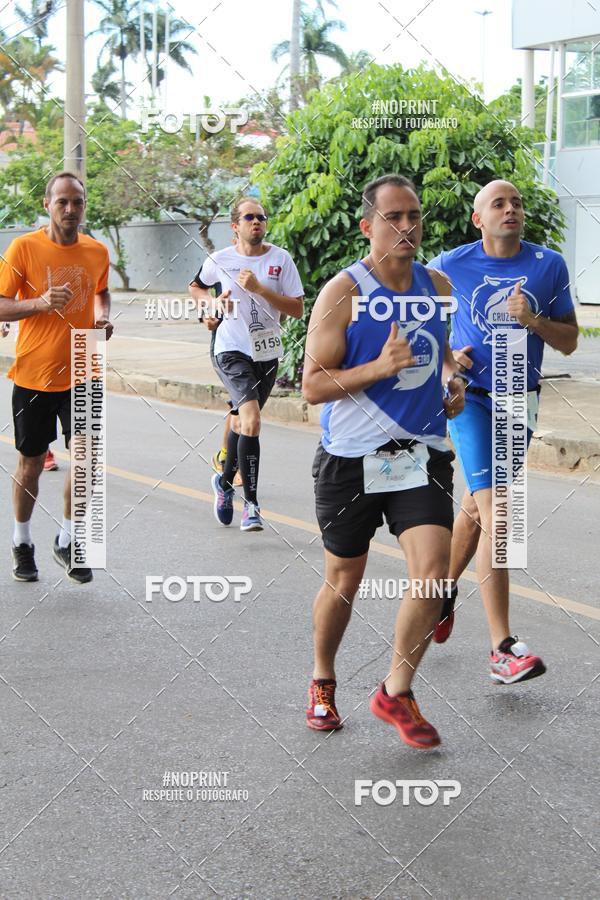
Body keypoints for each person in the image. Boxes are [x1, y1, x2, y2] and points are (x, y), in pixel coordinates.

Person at [302, 174, 466, 748]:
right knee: (344, 579)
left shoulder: (437, 285)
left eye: (414, 215)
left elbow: (441, 353)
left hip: (420, 453)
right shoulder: (343, 292)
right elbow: (312, 386)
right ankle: (323, 678)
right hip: (351, 458)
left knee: (433, 574)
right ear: (367, 226)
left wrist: (451, 383)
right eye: (393, 217)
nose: (406, 226)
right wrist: (379, 367)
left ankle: (396, 691)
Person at [428, 179, 578, 683]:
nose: (510, 209)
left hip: (520, 399)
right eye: (498, 203)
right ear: (479, 219)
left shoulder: (548, 265)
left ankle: (441, 593)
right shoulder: (448, 266)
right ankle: (502, 648)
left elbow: (570, 341)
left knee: (477, 508)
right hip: (470, 398)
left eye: (516, 202)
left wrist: (532, 320)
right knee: (500, 512)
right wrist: (449, 359)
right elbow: (422, 327)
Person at [0, 172, 113, 584]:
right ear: (46, 204)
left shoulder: (96, 251)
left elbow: (101, 291)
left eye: (77, 202)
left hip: (84, 368)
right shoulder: (23, 248)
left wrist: (102, 316)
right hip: (34, 375)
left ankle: (68, 539)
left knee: (86, 459)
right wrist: (41, 303)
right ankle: (22, 541)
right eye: (62, 201)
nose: (70, 209)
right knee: (31, 463)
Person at [192, 197, 304, 532]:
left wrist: (260, 290)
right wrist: (212, 304)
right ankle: (251, 506)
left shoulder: (280, 259)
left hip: (266, 353)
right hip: (230, 350)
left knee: (242, 422)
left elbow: (297, 308)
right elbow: (196, 287)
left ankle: (224, 482)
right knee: (252, 421)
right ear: (235, 226)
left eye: (261, 217)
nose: (257, 222)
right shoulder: (220, 259)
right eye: (249, 217)